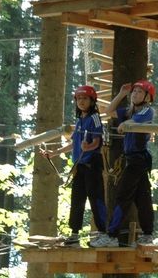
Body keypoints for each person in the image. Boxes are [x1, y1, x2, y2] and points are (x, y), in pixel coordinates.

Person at [90, 80, 158, 247]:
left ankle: (112, 235)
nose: (135, 94)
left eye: (139, 92)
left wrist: (125, 124)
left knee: (122, 196)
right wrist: (121, 94)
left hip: (138, 160)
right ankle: (148, 234)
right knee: (142, 198)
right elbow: (109, 111)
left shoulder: (147, 111)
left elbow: (133, 123)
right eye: (134, 92)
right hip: (134, 160)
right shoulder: (129, 112)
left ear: (147, 97)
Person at [39, 85, 107, 246]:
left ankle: (104, 233)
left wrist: (88, 147)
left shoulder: (95, 118)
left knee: (96, 198)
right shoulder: (79, 121)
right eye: (79, 99)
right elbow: (74, 143)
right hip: (80, 166)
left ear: (92, 100)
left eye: (85, 98)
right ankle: (74, 234)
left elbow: (98, 142)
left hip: (92, 164)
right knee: (77, 199)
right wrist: (54, 153)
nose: (81, 102)